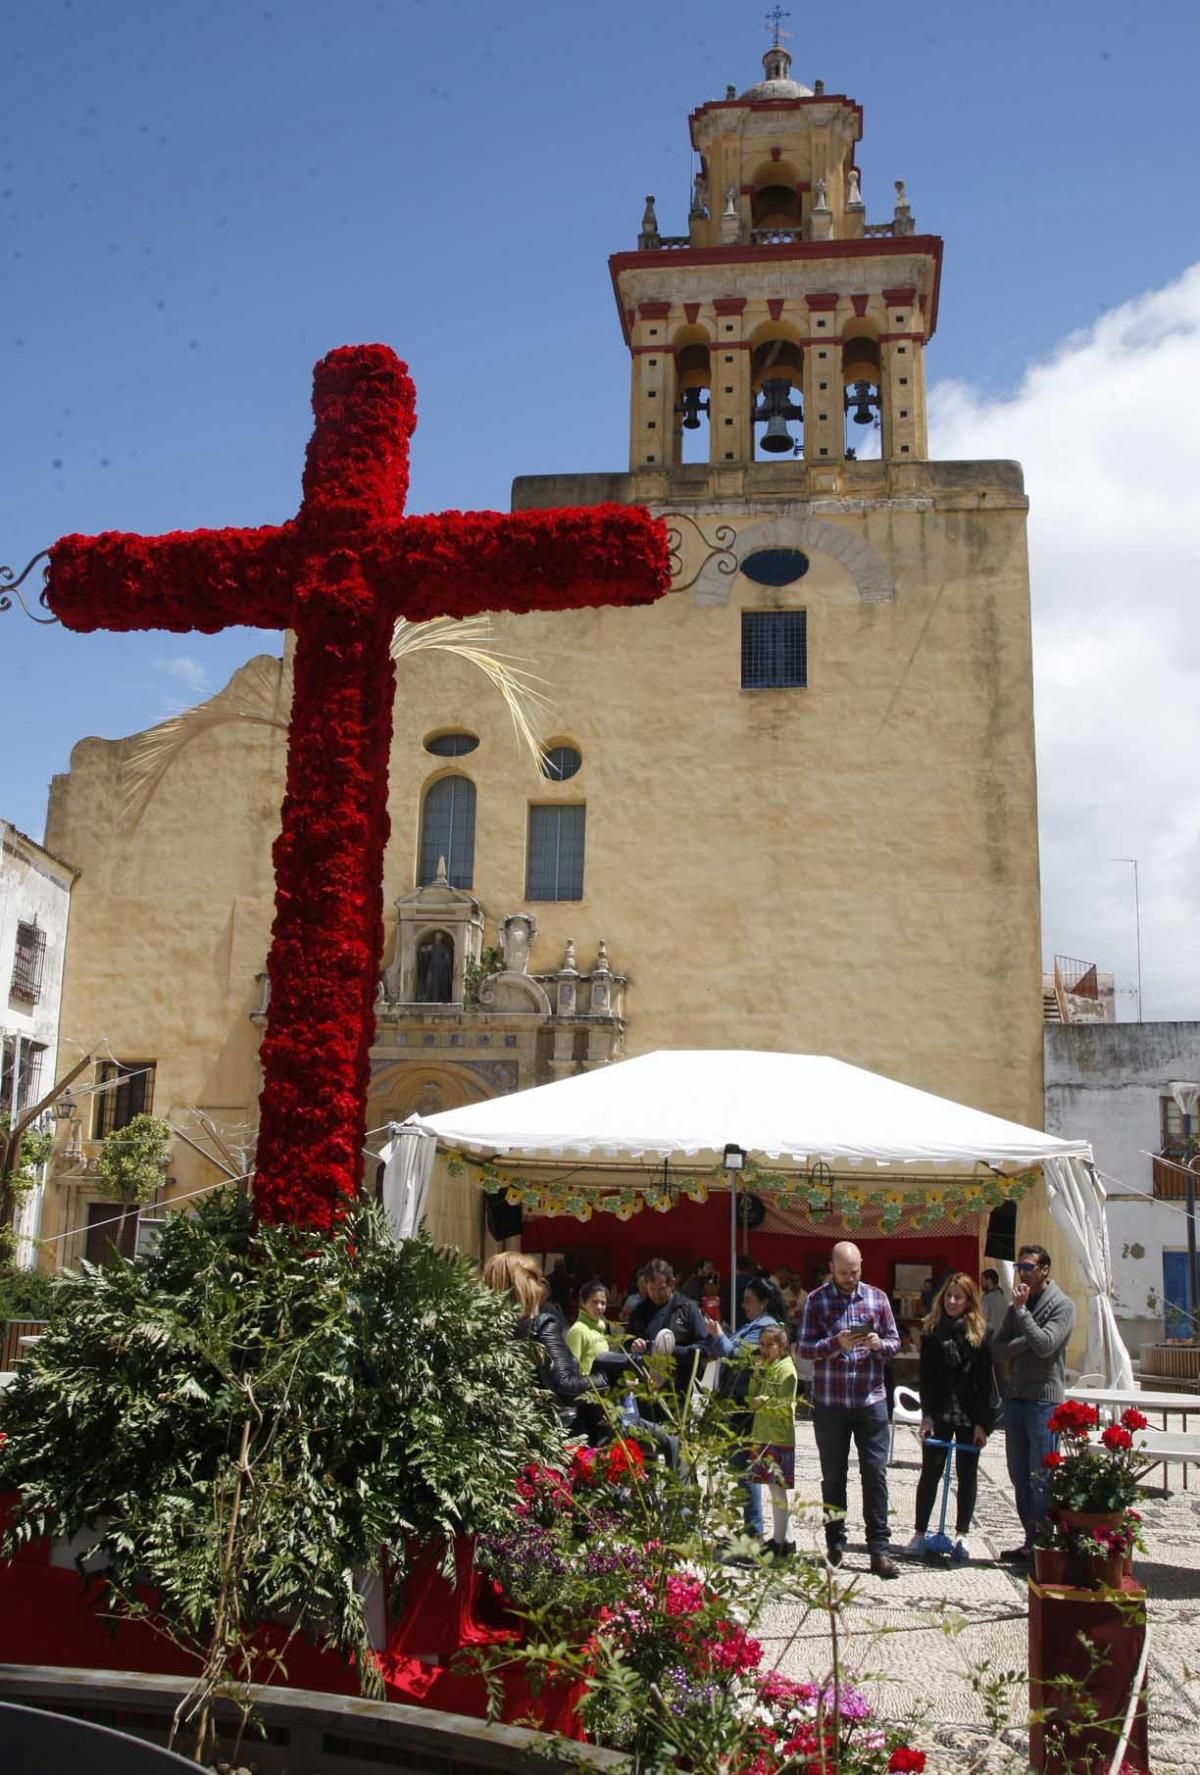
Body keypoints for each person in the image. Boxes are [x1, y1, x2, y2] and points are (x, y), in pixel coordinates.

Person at [795, 1240, 901, 1578]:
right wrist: (833, 1343)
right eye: (843, 1273)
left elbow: (895, 1342)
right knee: (834, 1477)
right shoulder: (816, 1300)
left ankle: (879, 1550)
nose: (849, 1278)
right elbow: (804, 1349)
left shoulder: (877, 1298)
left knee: (875, 1475)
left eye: (854, 1272)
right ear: (832, 1268)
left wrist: (878, 1345)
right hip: (831, 1402)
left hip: (870, 1400)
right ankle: (835, 1543)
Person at [992, 1242, 1076, 1564]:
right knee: (1017, 1472)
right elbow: (998, 1349)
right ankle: (1031, 1540)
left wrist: (1025, 1315)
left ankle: (1043, 1542)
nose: (1021, 1273)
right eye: (1018, 1267)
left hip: (1043, 1401)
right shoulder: (1015, 1306)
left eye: (1027, 1267)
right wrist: (1024, 1339)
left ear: (1044, 1270)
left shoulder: (1062, 1306)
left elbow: (1045, 1346)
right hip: (1015, 1398)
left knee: (1041, 1476)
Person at [905, 1274, 995, 1561]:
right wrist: (927, 1416)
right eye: (949, 1297)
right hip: (941, 1413)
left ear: (969, 1301)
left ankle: (962, 1534)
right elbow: (927, 1378)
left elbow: (985, 1383)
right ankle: (920, 1533)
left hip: (969, 1414)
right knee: (930, 1471)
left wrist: (983, 1423)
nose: (953, 1302)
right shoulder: (932, 1333)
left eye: (959, 1297)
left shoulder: (980, 1334)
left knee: (967, 1474)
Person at [481, 1251, 606, 1438]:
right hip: (544, 1436)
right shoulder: (540, 1325)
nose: (540, 1283)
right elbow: (566, 1386)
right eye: (533, 1277)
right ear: (521, 1284)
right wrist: (609, 1378)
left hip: (497, 1435)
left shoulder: (482, 1329)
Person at [702, 1277, 785, 1541]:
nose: (743, 1304)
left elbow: (742, 1359)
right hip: (737, 1405)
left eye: (749, 1299)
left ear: (764, 1302)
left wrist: (720, 1336)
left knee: (747, 1470)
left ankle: (754, 1532)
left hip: (748, 1406)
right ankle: (750, 1529)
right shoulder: (753, 1325)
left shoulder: (767, 1327)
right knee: (740, 1468)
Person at [747, 1325, 798, 1561]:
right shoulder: (766, 1367)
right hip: (762, 1433)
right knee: (771, 1486)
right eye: (763, 1345)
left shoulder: (786, 1369)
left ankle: (780, 1541)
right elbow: (752, 1393)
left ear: (782, 1346)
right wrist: (756, 1375)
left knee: (778, 1488)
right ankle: (785, 1538)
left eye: (770, 1345)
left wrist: (762, 1400)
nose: (765, 1350)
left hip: (778, 1436)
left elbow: (784, 1403)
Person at [626, 1258, 710, 1392]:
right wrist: (633, 1344)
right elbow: (626, 1341)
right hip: (646, 1386)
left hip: (680, 1387)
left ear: (672, 1283)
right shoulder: (639, 1311)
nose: (655, 1294)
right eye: (651, 1289)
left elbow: (705, 1347)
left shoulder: (688, 1308)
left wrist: (672, 1351)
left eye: (661, 1289)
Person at [980, 1268, 1008, 1339]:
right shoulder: (1004, 1299)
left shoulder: (986, 1299)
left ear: (989, 1280)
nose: (981, 1282)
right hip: (1001, 1340)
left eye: (982, 1279)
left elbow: (982, 1321)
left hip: (989, 1340)